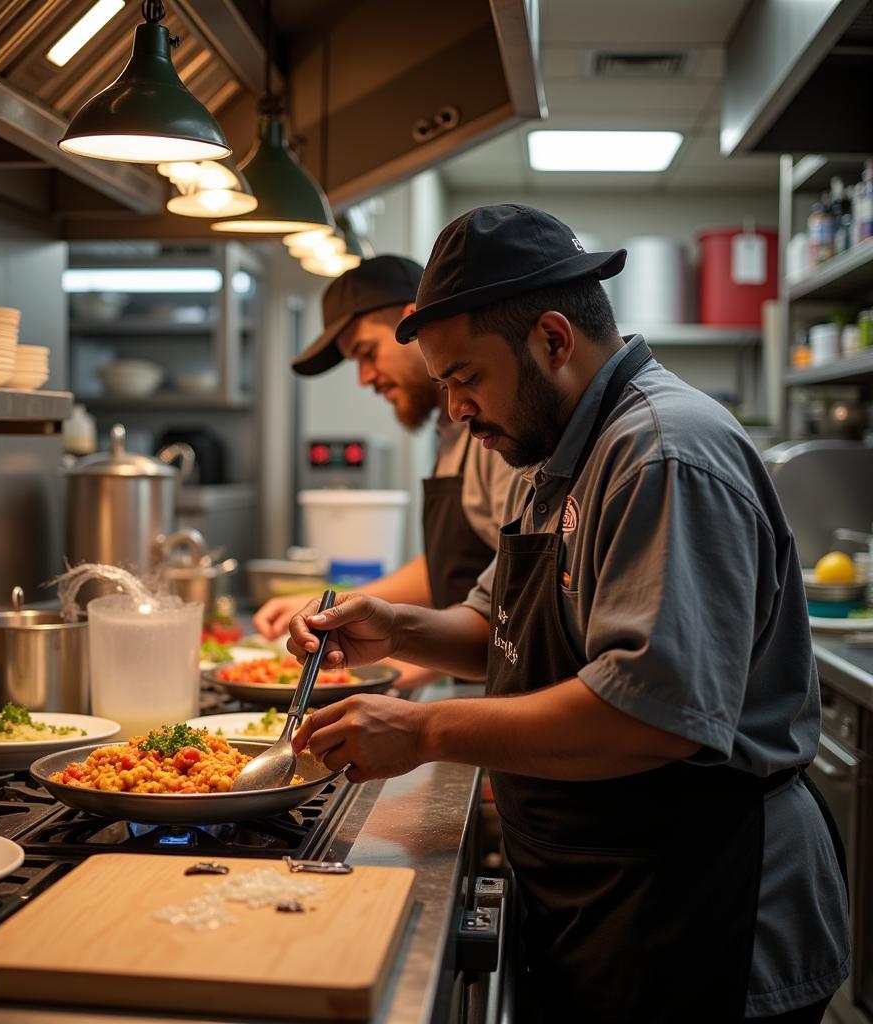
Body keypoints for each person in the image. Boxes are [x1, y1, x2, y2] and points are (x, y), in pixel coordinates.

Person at [287, 205, 850, 1023]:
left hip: (702, 904)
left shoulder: (662, 453)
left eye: (466, 378)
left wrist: (424, 734)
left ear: (553, 340)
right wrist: (395, 625)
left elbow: (651, 717)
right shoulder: (553, 452)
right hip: (608, 886)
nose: (453, 410)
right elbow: (497, 631)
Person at [254, 254, 522, 687]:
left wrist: (402, 663)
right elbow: (452, 569)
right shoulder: (450, 431)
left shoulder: (495, 436)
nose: (363, 378)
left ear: (411, 325)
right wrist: (337, 605)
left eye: (366, 352)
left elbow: (520, 595)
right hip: (476, 676)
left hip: (502, 689)